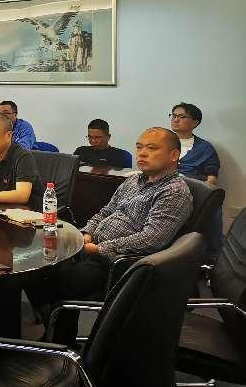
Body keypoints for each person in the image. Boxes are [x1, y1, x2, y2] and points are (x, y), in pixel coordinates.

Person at [29, 127, 192, 342]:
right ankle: (55, 330)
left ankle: (60, 341)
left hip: (117, 265)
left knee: (55, 280)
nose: (142, 153)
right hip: (91, 248)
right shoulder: (133, 181)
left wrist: (97, 249)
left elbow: (152, 239)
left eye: (152, 148)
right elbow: (105, 211)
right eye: (139, 147)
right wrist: (87, 233)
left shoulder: (174, 192)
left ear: (174, 155)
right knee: (33, 269)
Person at [170, 102, 223, 257]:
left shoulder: (205, 148)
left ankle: (212, 255)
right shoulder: (162, 141)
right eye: (173, 116)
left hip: (192, 190)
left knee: (213, 204)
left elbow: (212, 180)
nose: (175, 119)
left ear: (195, 123)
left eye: (182, 116)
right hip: (164, 186)